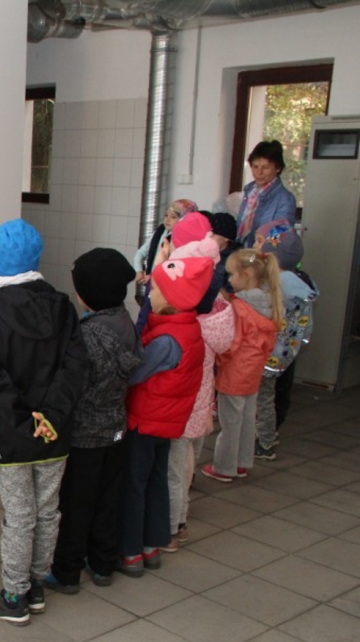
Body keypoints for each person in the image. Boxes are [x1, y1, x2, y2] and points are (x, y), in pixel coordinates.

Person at [0, 220, 88, 624]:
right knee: (48, 511)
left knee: (20, 516)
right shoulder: (63, 306)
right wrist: (51, 417)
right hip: (56, 432)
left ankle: (14, 596)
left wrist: (23, 421)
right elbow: (75, 367)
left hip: (12, 434)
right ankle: (36, 585)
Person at [44, 249, 140, 593]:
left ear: (90, 293)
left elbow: (75, 385)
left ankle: (66, 572)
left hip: (85, 436)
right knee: (108, 501)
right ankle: (102, 564)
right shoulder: (125, 321)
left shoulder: (87, 335)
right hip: (116, 429)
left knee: (76, 505)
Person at [121, 256, 213, 576]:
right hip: (167, 424)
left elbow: (135, 373)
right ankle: (151, 546)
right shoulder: (188, 329)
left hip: (145, 421)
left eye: (156, 288)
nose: (150, 292)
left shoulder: (165, 341)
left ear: (173, 299)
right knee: (156, 481)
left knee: (135, 485)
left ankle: (131, 551)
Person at [162, 237, 234, 551]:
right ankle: (179, 522)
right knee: (184, 469)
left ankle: (171, 530)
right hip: (199, 408)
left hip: (181, 412)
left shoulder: (189, 329)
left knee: (174, 473)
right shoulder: (214, 320)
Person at [202, 250, 284, 483]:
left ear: (246, 274)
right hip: (253, 371)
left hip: (234, 372)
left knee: (230, 423)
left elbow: (231, 343)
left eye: (232, 274)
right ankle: (241, 463)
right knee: (247, 419)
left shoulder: (239, 308)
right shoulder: (271, 304)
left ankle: (224, 467)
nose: (229, 279)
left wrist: (217, 360)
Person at [254, 223, 318, 461]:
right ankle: (268, 435)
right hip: (286, 352)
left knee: (262, 397)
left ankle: (265, 443)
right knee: (269, 395)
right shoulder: (303, 285)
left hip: (266, 351)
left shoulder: (273, 284)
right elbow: (306, 326)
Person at [133, 199, 198, 304]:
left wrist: (155, 276)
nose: (167, 220)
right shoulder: (160, 231)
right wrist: (139, 271)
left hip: (168, 290)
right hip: (152, 285)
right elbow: (141, 253)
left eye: (173, 217)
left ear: (184, 220)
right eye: (166, 215)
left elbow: (175, 267)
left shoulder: (186, 241)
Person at [235, 140, 296, 249]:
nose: (259, 172)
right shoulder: (249, 191)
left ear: (278, 168)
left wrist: (257, 254)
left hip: (261, 255)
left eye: (265, 167)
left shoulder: (285, 199)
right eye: (255, 167)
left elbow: (279, 237)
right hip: (242, 251)